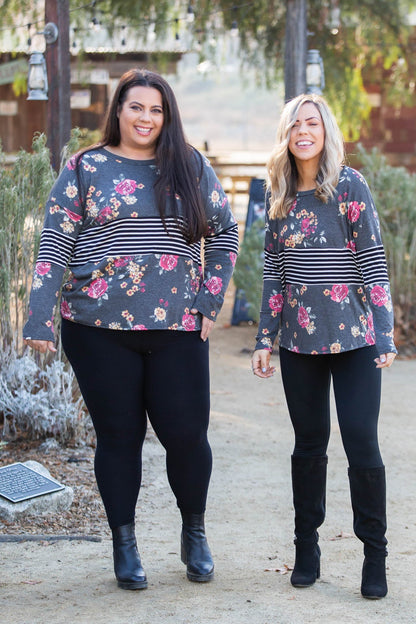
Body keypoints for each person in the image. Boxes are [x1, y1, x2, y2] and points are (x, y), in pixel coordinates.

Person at [23, 68, 239, 590]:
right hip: (97, 327)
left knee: (186, 435)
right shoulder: (84, 167)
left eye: (156, 109)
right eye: (136, 107)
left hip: (178, 327)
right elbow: (54, 240)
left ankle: (194, 532)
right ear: (118, 110)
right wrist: (39, 315)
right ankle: (125, 543)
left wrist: (210, 301)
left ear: (168, 117)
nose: (146, 117)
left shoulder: (189, 166)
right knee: (119, 437)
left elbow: (226, 231)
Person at [251, 93, 397, 600]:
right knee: (309, 446)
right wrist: (264, 339)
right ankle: (306, 547)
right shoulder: (280, 193)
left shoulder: (349, 185)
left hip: (355, 341)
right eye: (295, 125)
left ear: (325, 130)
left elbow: (374, 261)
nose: (303, 132)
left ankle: (374, 555)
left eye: (311, 123)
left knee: (361, 443)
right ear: (287, 136)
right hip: (298, 344)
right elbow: (273, 271)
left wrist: (384, 331)